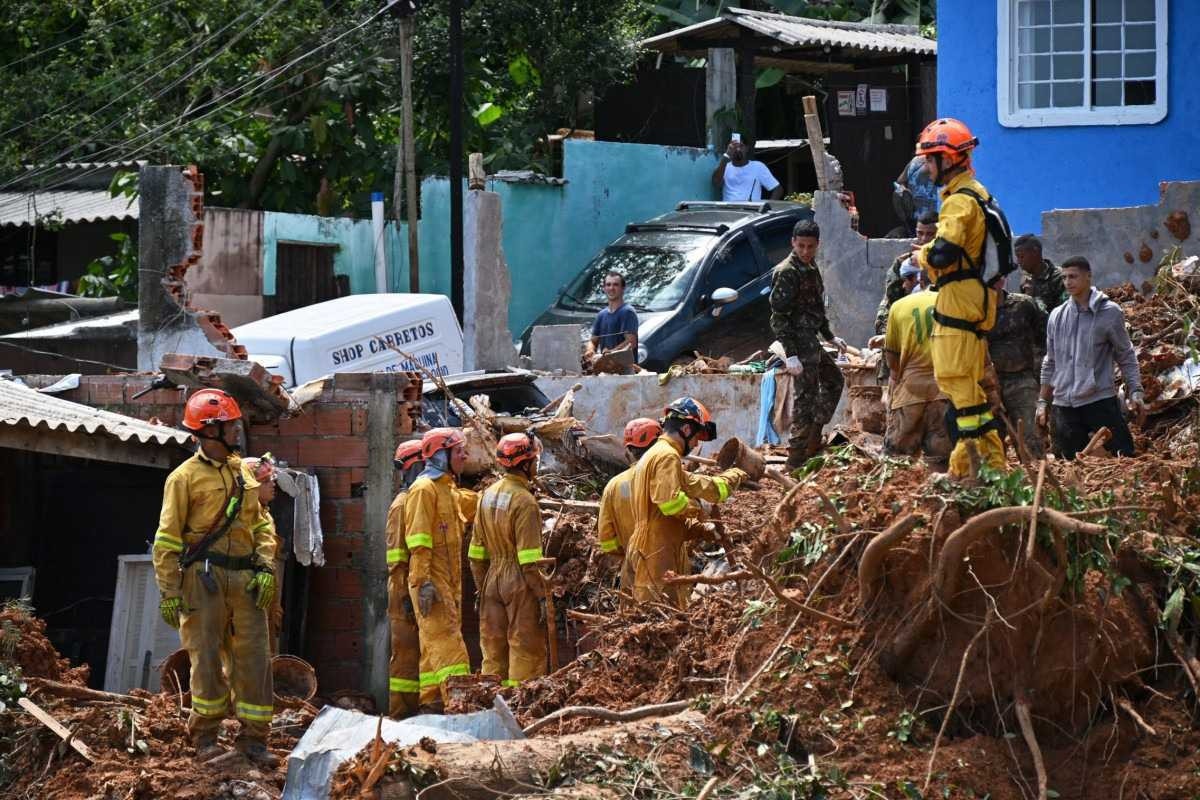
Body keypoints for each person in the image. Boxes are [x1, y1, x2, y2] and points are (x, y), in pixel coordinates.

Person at [153, 389, 277, 766]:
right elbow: (166, 539)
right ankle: (206, 737)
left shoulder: (244, 473)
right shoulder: (182, 478)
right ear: (210, 431)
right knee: (204, 660)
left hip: (245, 582)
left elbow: (262, 525)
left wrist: (266, 566)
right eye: (230, 424)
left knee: (255, 660)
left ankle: (254, 740)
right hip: (201, 581)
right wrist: (169, 591)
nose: (237, 430)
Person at [912, 117, 1007, 478]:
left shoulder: (958, 204)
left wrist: (920, 255)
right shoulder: (977, 193)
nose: (926, 166)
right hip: (975, 298)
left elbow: (941, 255)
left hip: (959, 300)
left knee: (956, 385)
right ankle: (993, 467)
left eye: (930, 159)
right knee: (970, 391)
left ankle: (963, 470)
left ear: (949, 159)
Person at [624, 398, 747, 609]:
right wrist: (699, 509)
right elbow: (669, 502)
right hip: (656, 553)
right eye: (697, 437)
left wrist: (733, 477)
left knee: (648, 616)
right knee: (659, 618)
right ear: (687, 429)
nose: (697, 444)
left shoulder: (655, 454)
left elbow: (697, 484)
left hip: (645, 547)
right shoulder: (667, 457)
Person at [1037, 257, 1144, 459]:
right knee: (1068, 464)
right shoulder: (1057, 316)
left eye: (1073, 276)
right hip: (1064, 405)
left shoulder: (1109, 313)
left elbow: (1126, 355)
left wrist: (1136, 390)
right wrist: (1043, 401)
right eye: (1065, 277)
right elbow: (1050, 361)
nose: (1068, 282)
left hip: (1099, 400)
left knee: (1123, 458)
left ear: (1088, 277)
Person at [468, 434, 548, 688]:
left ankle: (492, 702)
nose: (536, 465)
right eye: (534, 460)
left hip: (491, 579)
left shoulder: (486, 496)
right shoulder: (525, 502)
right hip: (519, 582)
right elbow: (529, 560)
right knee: (525, 648)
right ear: (525, 464)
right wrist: (543, 595)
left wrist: (482, 589)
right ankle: (521, 708)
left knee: (493, 649)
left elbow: (476, 554)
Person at [404, 427, 472, 711]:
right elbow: (418, 541)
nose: (464, 456)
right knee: (448, 645)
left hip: (447, 580)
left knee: (432, 649)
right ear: (441, 455)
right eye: (458, 451)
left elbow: (470, 504)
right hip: (431, 579)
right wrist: (424, 581)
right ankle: (462, 704)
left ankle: (430, 704)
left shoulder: (447, 489)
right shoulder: (423, 490)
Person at [769, 219, 847, 469]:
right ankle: (795, 459)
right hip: (798, 345)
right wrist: (790, 355)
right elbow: (778, 318)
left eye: (810, 247)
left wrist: (829, 335)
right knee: (805, 399)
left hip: (811, 341)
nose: (805, 251)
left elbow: (815, 307)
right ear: (793, 242)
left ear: (817, 246)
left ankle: (813, 437)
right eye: (800, 246)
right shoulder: (786, 272)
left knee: (834, 380)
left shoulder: (811, 267)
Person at [882, 285, 951, 469]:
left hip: (910, 392)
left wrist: (894, 384)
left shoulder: (898, 306)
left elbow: (891, 356)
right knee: (940, 458)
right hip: (944, 390)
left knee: (897, 460)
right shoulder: (953, 303)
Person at [986, 276, 1049, 459]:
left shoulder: (1023, 305)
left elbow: (1043, 341)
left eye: (994, 280)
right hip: (989, 385)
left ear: (1002, 281)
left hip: (1022, 381)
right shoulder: (975, 312)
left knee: (1030, 440)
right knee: (991, 444)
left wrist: (1039, 377)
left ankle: (1039, 481)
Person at [385, 440, 425, 717]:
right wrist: (404, 596)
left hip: (411, 585)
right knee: (405, 654)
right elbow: (397, 559)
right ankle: (400, 714)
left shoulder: (416, 500)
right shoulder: (402, 505)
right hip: (402, 587)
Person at [597, 418, 662, 567]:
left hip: (632, 566)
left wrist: (626, 554)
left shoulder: (613, 486)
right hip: (668, 569)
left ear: (629, 450)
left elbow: (606, 538)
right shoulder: (663, 477)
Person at [242, 455, 284, 655]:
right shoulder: (245, 515)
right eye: (266, 481)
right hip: (251, 594)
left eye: (272, 479)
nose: (272, 484)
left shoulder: (265, 514)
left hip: (268, 595)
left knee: (267, 651)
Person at [875, 211, 939, 336]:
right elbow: (890, 301)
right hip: (908, 324)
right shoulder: (903, 263)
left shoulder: (949, 265)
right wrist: (886, 335)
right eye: (920, 233)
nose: (924, 239)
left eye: (930, 234)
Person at [584, 271, 638, 366]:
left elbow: (631, 342)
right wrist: (590, 350)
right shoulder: (601, 315)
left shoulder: (628, 312)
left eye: (615, 285)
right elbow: (593, 340)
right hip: (605, 368)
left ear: (623, 288)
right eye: (608, 285)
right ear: (604, 288)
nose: (611, 288)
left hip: (625, 370)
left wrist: (611, 353)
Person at [712, 138, 783, 202]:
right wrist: (727, 155)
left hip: (751, 213)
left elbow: (778, 189)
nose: (738, 149)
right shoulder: (725, 166)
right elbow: (716, 183)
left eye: (741, 146)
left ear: (747, 148)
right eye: (734, 147)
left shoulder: (758, 166)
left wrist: (767, 207)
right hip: (729, 212)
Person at [1015, 234, 1067, 313]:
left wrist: (1032, 299)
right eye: (1017, 257)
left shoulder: (1060, 277)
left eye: (1021, 256)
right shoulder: (1026, 280)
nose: (1018, 262)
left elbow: (1062, 315)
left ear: (1036, 252)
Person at [894, 154, 939, 234]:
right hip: (917, 222)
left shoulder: (945, 164)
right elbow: (900, 182)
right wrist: (903, 193)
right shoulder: (915, 162)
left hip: (938, 222)